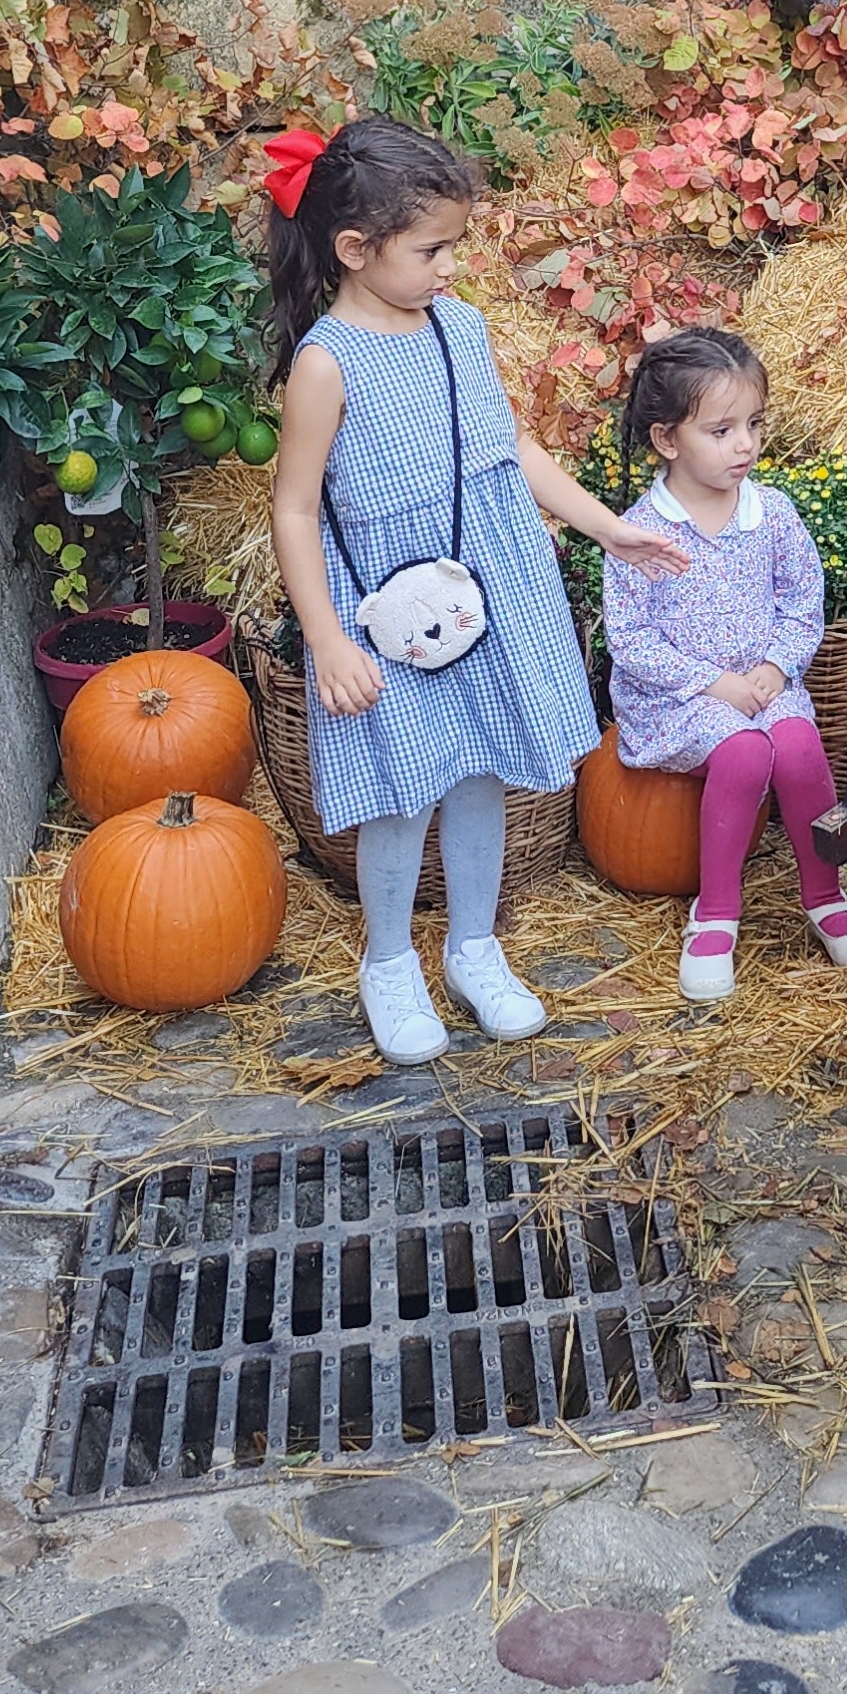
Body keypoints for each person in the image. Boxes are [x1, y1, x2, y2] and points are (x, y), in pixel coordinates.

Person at [265, 118, 688, 1064]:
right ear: (354, 250)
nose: (451, 267)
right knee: (401, 791)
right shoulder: (327, 363)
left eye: (454, 245)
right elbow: (295, 508)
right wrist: (326, 639)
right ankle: (388, 962)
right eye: (431, 250)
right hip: (385, 608)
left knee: (479, 772)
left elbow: (513, 448)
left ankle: (473, 948)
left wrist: (606, 525)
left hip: (482, 587)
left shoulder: (459, 327)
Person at [600, 328, 847, 1003]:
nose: (744, 444)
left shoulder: (772, 515)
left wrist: (778, 666)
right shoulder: (640, 534)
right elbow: (631, 640)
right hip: (678, 697)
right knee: (744, 754)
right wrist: (714, 684)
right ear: (667, 439)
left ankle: (824, 893)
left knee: (798, 746)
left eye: (753, 424)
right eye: (721, 431)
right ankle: (715, 913)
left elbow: (802, 601)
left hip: (763, 681)